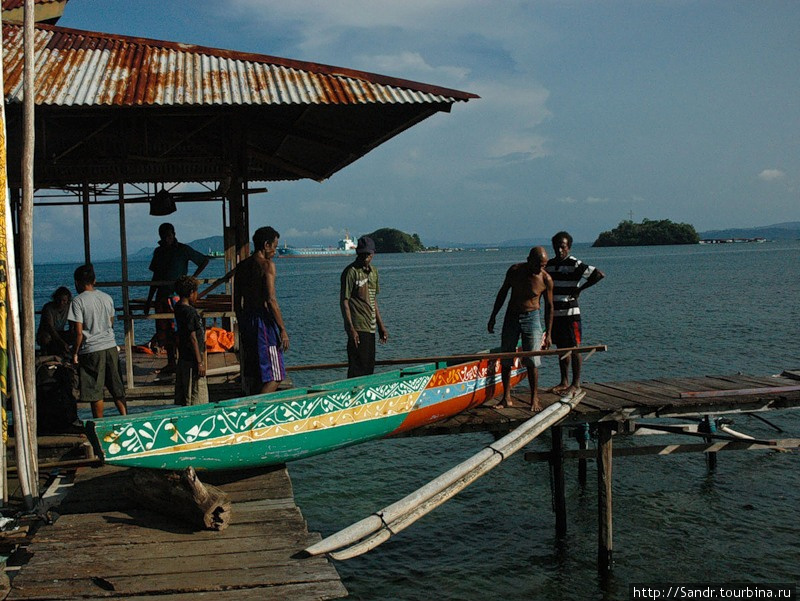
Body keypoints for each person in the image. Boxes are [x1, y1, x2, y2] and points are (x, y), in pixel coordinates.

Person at [487, 246, 553, 411]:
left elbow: (550, 307)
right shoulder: (515, 271)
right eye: (537, 265)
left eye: (543, 265)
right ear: (528, 260)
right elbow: (502, 293)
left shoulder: (546, 279)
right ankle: (506, 398)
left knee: (532, 359)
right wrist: (493, 316)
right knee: (507, 356)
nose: (540, 268)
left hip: (532, 317)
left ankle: (534, 398)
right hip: (512, 316)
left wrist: (549, 334)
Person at [545, 231, 605, 396]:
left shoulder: (574, 264)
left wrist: (580, 289)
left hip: (571, 312)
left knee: (574, 347)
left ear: (569, 248)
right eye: (557, 246)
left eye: (563, 247)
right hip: (555, 313)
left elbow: (599, 274)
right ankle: (564, 381)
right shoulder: (549, 265)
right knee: (561, 348)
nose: (559, 250)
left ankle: (575, 383)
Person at [144, 223, 209, 374]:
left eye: (169, 235)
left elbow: (204, 260)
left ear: (173, 234)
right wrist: (149, 299)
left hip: (177, 296)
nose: (166, 239)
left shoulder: (183, 249)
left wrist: (192, 279)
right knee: (164, 331)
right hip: (162, 295)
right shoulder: (159, 252)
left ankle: (182, 361)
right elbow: (155, 277)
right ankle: (171, 362)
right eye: (163, 236)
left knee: (180, 331)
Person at [233, 226, 289, 394]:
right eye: (275, 246)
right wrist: (283, 330)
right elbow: (271, 300)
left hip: (247, 319)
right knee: (276, 375)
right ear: (266, 245)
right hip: (263, 322)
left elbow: (237, 302)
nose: (275, 251)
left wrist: (242, 323)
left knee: (257, 373)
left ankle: (253, 404)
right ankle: (257, 410)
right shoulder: (267, 266)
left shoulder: (242, 267)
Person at [68, 264, 127, 418]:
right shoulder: (107, 297)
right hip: (110, 345)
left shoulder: (77, 301)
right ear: (94, 280)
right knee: (117, 387)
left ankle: (99, 424)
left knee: (95, 391)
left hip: (91, 349)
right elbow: (111, 322)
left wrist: (75, 353)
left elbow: (79, 333)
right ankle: (125, 418)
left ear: (77, 282)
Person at [340, 236, 389, 378]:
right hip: (358, 326)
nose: (365, 258)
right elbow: (344, 301)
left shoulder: (374, 272)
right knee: (357, 369)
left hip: (370, 327)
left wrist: (381, 326)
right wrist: (350, 328)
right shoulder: (351, 272)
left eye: (368, 255)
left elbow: (373, 300)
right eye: (362, 254)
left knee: (369, 367)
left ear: (373, 254)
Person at [173, 275, 209, 406]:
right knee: (196, 394)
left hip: (184, 356)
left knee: (185, 392)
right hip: (192, 359)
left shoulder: (178, 307)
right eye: (196, 292)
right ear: (190, 293)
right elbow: (193, 338)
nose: (197, 295)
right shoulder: (190, 312)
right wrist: (200, 362)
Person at [37, 286, 75, 356]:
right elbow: (50, 328)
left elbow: (71, 325)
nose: (61, 303)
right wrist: (61, 342)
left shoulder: (68, 307)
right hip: (47, 334)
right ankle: (45, 354)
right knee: (45, 338)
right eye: (59, 300)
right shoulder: (48, 308)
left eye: (64, 301)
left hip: (60, 332)